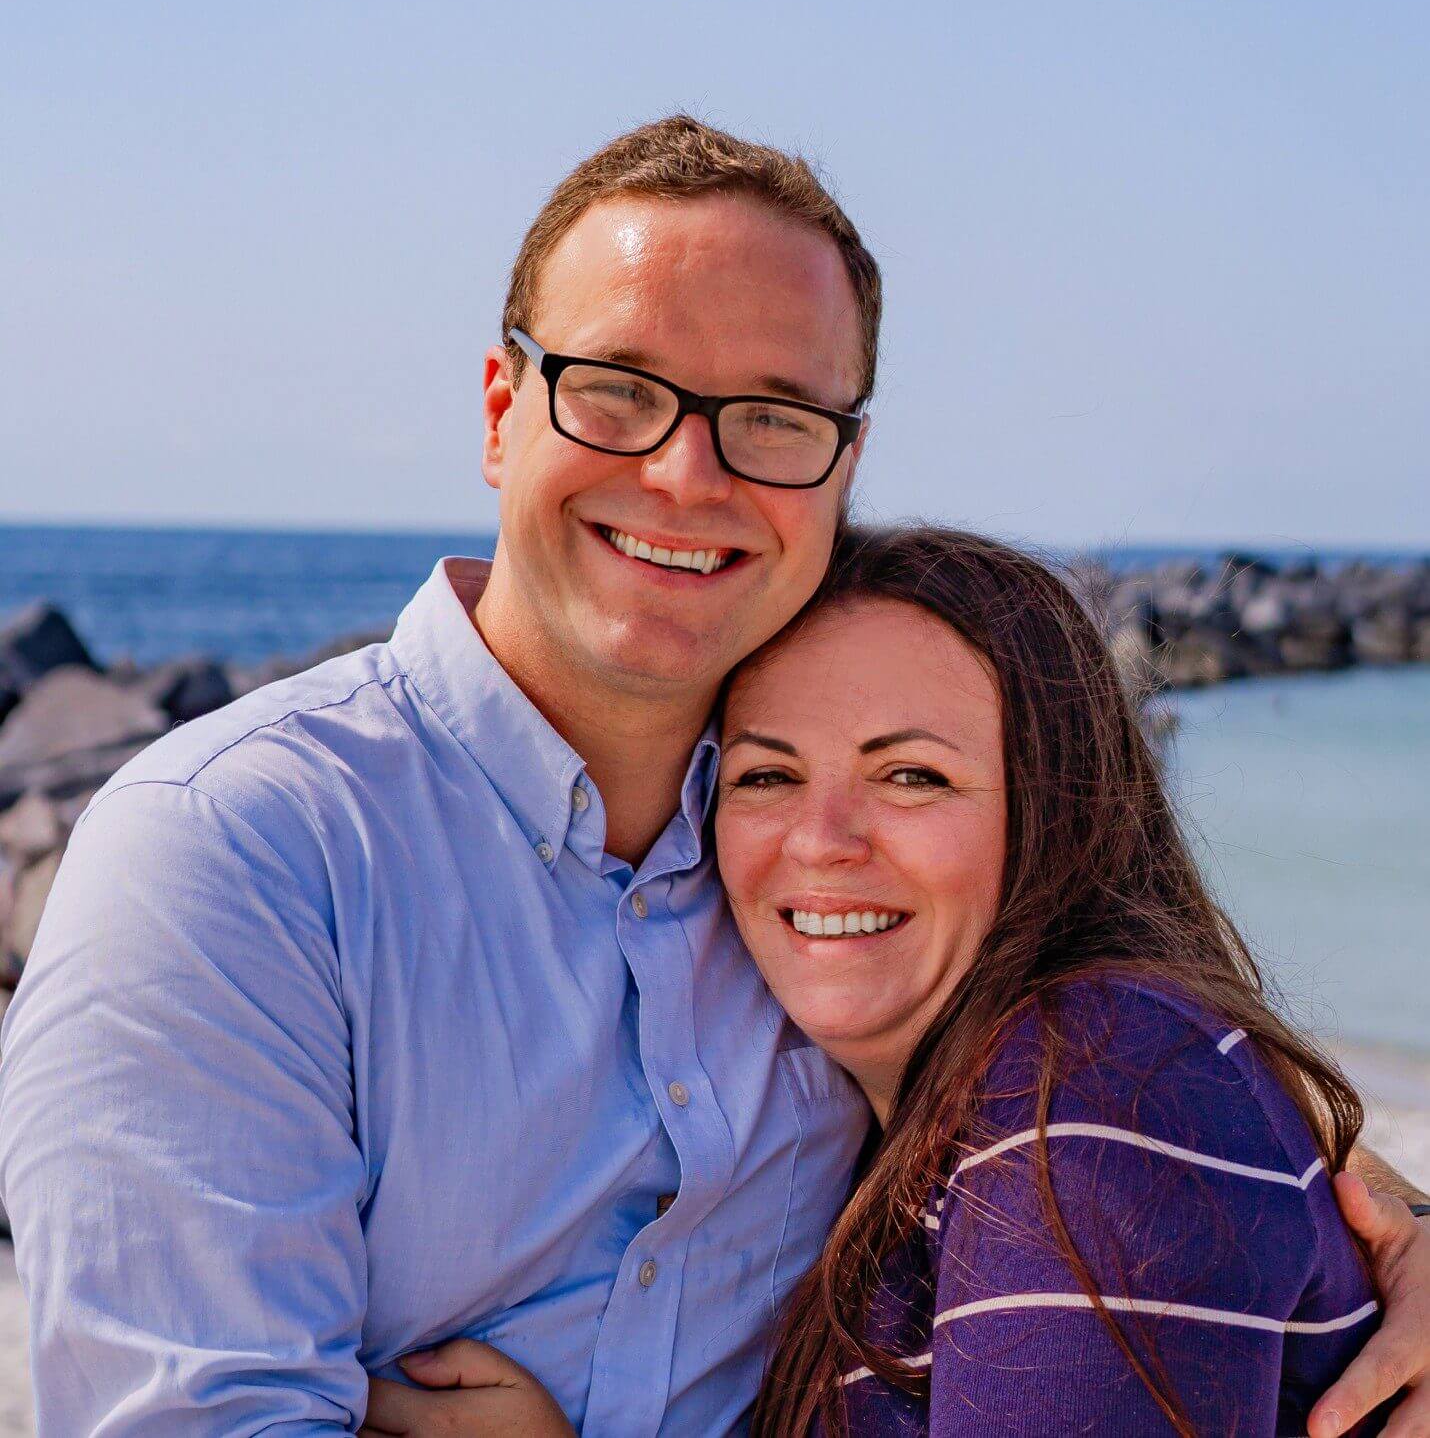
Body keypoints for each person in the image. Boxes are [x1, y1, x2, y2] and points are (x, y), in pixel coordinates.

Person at [0, 118, 1426, 1435]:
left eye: (771, 417)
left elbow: (1146, 1114)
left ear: (841, 465)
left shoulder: (827, 894)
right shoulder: (239, 859)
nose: (687, 472)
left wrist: (1382, 1231)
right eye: (617, 390)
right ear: (502, 410)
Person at [375, 525, 1425, 1436]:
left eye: (911, 774)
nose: (820, 841)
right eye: (766, 775)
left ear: (1059, 812)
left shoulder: (1090, 1090)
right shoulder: (916, 1110)